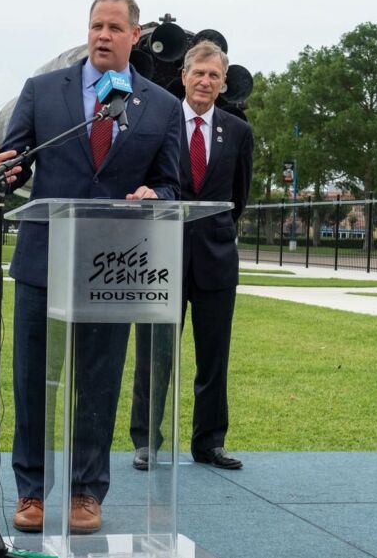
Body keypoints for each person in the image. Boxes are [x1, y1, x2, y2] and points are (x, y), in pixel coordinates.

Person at [0, 0, 181, 534]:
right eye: (96, 25)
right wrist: (1, 170)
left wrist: (155, 198)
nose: (102, 35)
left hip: (113, 267)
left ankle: (86, 493)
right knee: (32, 380)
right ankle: (31, 492)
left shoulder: (161, 106)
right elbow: (16, 165)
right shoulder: (44, 91)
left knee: (98, 383)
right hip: (43, 259)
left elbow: (172, 183)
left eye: (115, 27)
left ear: (134, 36)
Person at [130, 40, 253, 471]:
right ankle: (146, 441)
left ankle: (209, 442)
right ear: (183, 77)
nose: (205, 81)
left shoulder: (238, 132)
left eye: (214, 75)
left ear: (222, 84)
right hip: (160, 258)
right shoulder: (157, 124)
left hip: (216, 260)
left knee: (214, 357)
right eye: (198, 73)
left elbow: (239, 198)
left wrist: (216, 235)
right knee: (154, 354)